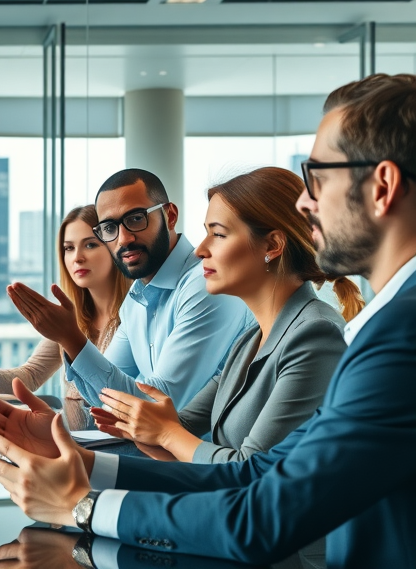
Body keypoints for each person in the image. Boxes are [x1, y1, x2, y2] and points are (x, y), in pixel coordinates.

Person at [0, 73, 416, 567]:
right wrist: (82, 463)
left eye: (318, 179)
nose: (304, 202)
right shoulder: (361, 329)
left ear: (382, 187)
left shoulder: (398, 334)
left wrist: (84, 505)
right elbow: (252, 476)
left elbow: (261, 514)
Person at [91, 167, 362, 464]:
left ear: (271, 246)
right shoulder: (248, 342)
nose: (200, 250)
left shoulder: (315, 335)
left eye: (218, 234)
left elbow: (252, 470)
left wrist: (166, 433)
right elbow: (177, 432)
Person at [7, 169, 253, 411]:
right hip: (155, 448)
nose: (123, 239)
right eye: (109, 228)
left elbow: (160, 402)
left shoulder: (205, 284)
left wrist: (71, 338)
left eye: (136, 219)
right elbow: (103, 396)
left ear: (170, 216)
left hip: (204, 450)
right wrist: (68, 339)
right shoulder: (136, 298)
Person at [0, 205, 131, 400]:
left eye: (91, 244)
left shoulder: (134, 317)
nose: (77, 257)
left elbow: (130, 395)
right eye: (68, 248)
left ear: (115, 249)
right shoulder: (72, 319)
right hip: (78, 437)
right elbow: (30, 376)